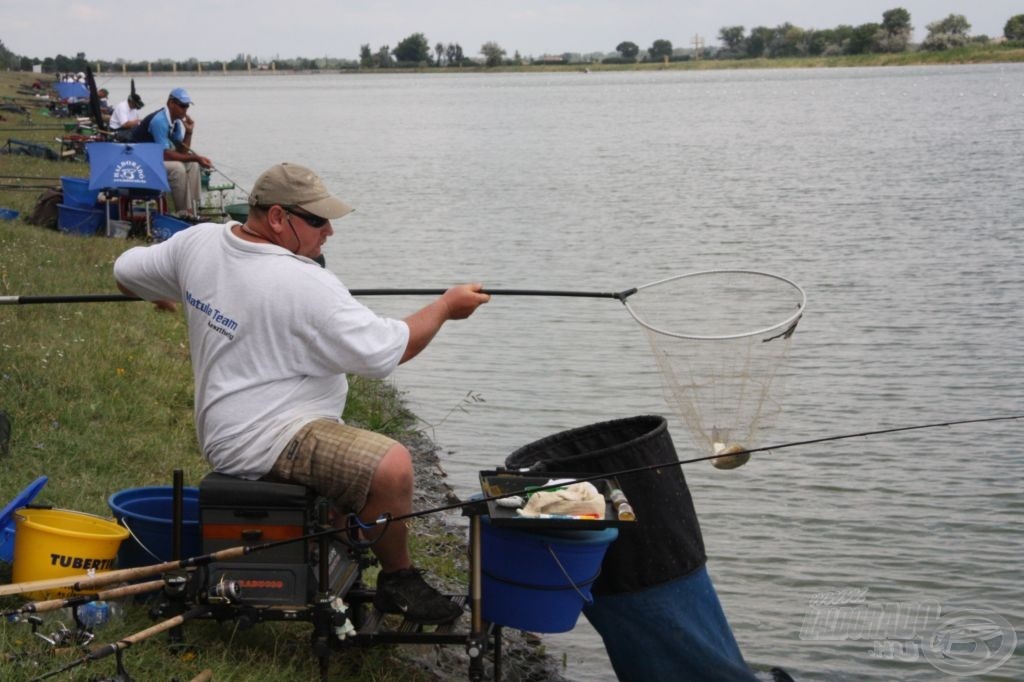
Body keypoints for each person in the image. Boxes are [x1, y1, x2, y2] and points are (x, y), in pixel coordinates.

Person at [113, 162, 490, 624]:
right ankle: (399, 578)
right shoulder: (307, 284)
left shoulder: (200, 241)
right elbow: (390, 351)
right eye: (316, 221)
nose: (328, 231)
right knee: (392, 467)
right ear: (276, 217)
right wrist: (447, 306)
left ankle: (339, 536)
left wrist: (157, 291)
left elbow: (126, 271)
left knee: (359, 473)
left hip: (224, 426)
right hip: (269, 434)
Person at [130, 87, 212, 218]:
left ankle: (195, 210)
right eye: (182, 105)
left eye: (187, 106)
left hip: (154, 159)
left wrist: (189, 132)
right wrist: (195, 157)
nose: (185, 109)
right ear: (171, 103)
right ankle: (184, 213)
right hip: (140, 161)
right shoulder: (159, 121)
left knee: (193, 165)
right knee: (177, 168)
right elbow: (165, 154)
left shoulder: (175, 123)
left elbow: (181, 151)